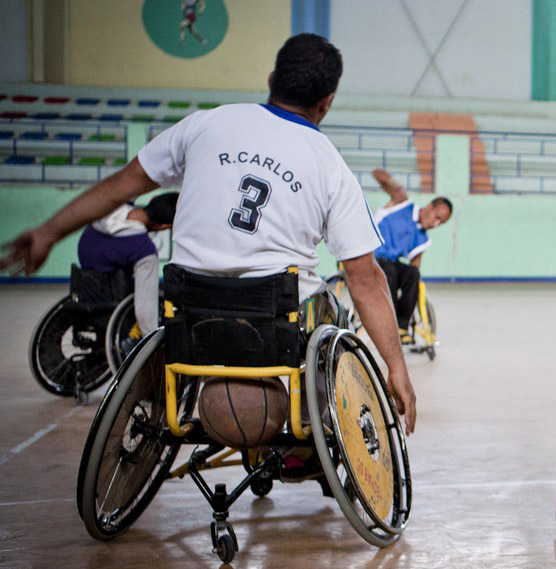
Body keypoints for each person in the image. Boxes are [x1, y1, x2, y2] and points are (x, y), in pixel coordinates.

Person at [1, 33, 416, 433]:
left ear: (271, 81)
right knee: (334, 314)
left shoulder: (206, 124)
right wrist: (395, 366)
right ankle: (308, 440)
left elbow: (120, 187)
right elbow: (364, 279)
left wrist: (48, 231)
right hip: (274, 324)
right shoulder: (331, 165)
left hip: (191, 313)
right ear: (327, 103)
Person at [76, 192, 178, 336]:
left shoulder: (111, 207)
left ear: (152, 199)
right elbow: (145, 307)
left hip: (87, 277)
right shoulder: (144, 250)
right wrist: (152, 339)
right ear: (164, 226)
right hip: (113, 291)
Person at [369, 168, 452, 336]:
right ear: (429, 207)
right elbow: (381, 176)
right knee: (389, 270)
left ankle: (401, 325)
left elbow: (415, 267)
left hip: (389, 265)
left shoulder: (422, 239)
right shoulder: (402, 203)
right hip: (370, 255)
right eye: (436, 217)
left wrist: (411, 287)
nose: (436, 224)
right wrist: (389, 183)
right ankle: (388, 320)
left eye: (441, 223)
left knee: (412, 274)